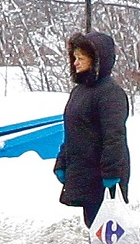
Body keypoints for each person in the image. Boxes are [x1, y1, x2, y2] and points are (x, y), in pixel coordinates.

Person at [55, 31, 130, 227]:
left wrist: (112, 173)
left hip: (103, 174)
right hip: (84, 171)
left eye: (81, 58)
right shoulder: (80, 91)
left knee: (106, 231)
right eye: (74, 58)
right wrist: (62, 161)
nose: (75, 63)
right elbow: (73, 131)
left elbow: (114, 136)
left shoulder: (110, 93)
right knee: (93, 227)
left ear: (96, 60)